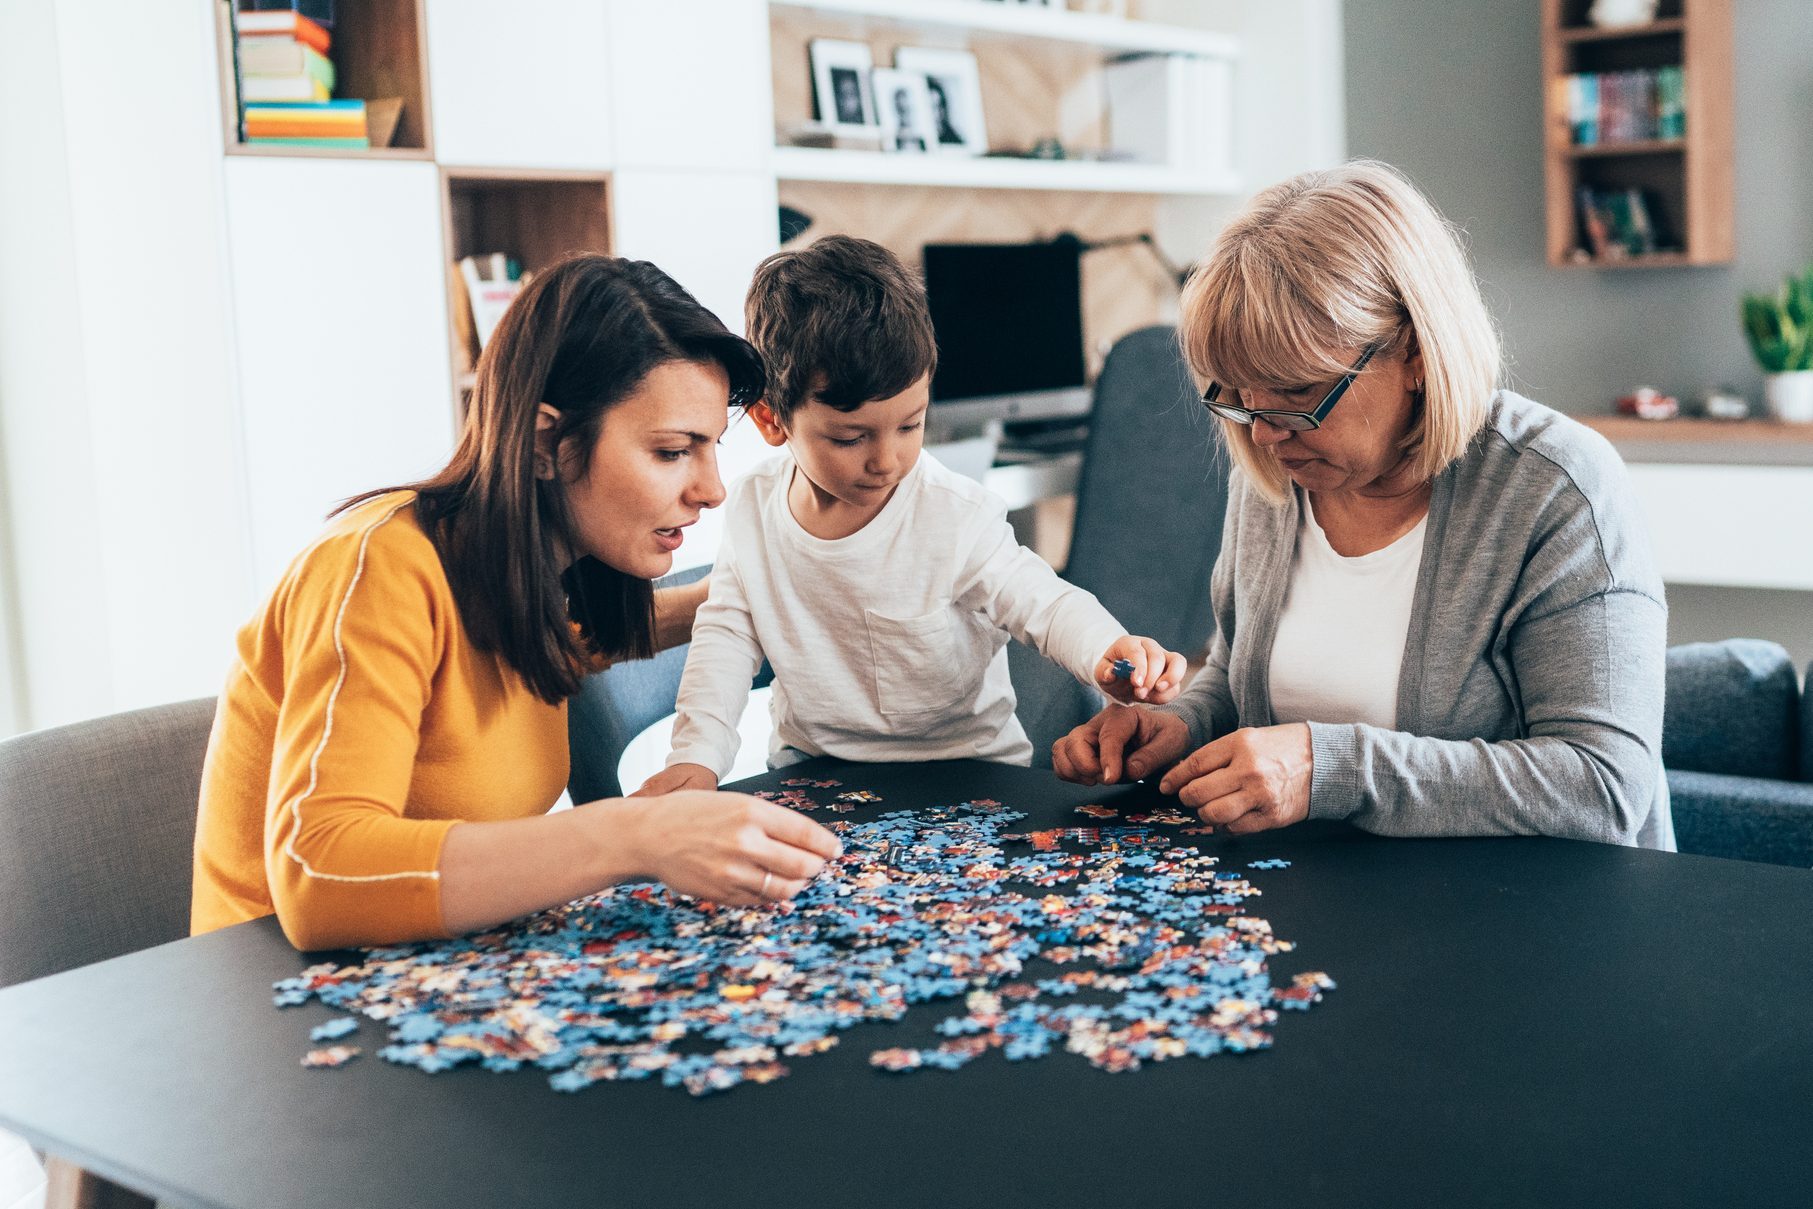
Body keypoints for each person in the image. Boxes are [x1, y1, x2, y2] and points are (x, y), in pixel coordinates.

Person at [191, 256, 842, 952]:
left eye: (710, 447)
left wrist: (738, 599)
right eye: (672, 451)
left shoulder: (521, 578)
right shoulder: (375, 565)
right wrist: (636, 834)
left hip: (451, 970)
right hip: (282, 999)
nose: (711, 489)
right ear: (546, 445)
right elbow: (320, 877)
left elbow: (561, 642)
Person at [1052, 161, 1674, 849]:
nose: (1262, 432)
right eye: (1239, 394)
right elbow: (1239, 681)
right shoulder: (1277, 467)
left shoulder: (1557, 488)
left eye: (1295, 392)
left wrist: (1333, 768)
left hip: (1521, 919)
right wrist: (1179, 728)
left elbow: (1604, 786)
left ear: (1412, 348)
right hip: (1315, 905)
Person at [638, 235, 1187, 794]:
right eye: (851, 438)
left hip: (971, 778)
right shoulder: (754, 507)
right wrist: (696, 758)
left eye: (910, 424)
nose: (887, 460)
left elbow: (1043, 601)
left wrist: (1106, 648)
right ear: (771, 420)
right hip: (812, 776)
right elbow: (726, 637)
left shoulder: (955, 514)